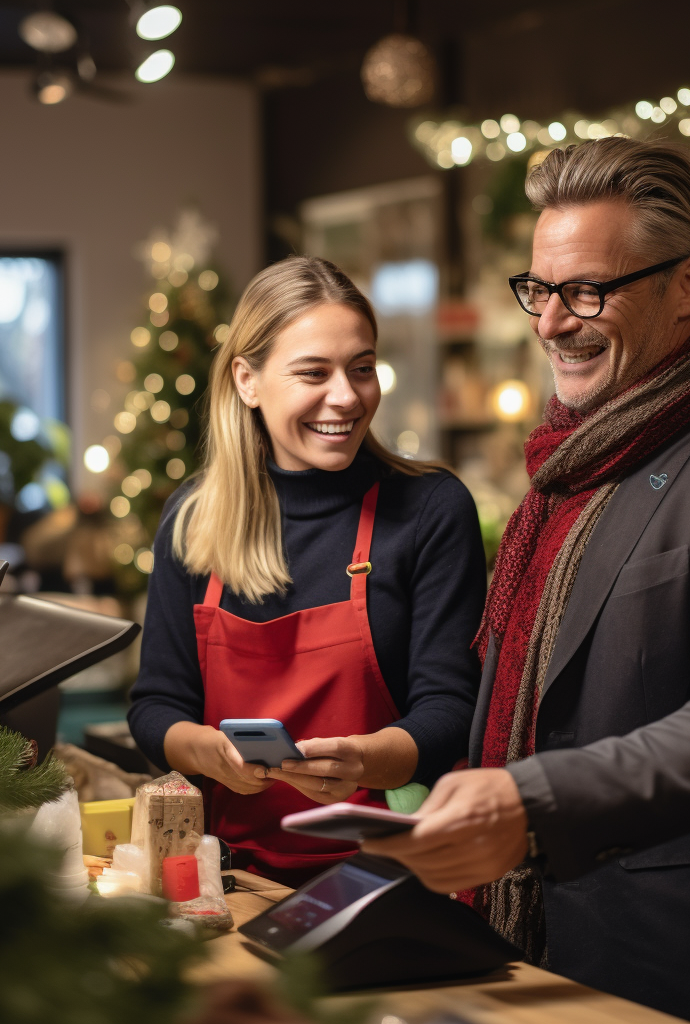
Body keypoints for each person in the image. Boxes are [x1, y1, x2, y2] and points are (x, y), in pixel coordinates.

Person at [364, 138, 690, 1024]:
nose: (551, 323)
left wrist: (532, 800)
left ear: (689, 283)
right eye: (539, 289)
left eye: (587, 291)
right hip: (531, 944)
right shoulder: (573, 461)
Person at [129, 256, 486, 887]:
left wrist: (365, 761)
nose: (346, 397)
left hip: (390, 875)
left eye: (363, 369)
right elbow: (157, 707)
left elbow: (453, 708)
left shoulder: (430, 508)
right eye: (313, 373)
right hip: (230, 880)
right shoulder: (193, 516)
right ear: (247, 380)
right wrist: (212, 755)